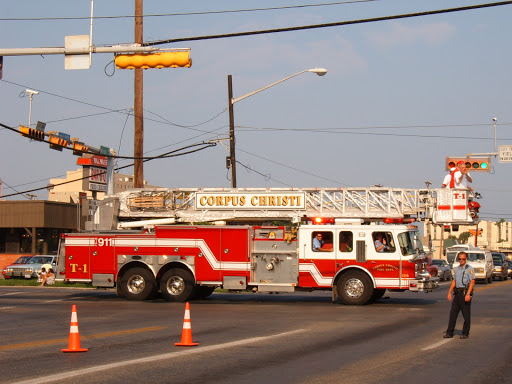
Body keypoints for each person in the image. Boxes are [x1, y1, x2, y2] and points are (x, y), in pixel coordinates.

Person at [444, 251, 476, 339]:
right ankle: (449, 332)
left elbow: (472, 282)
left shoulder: (469, 269)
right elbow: (454, 281)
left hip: (465, 293)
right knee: (453, 314)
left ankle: (465, 333)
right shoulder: (457, 269)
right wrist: (449, 292)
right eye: (460, 259)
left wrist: (468, 294)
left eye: (463, 259)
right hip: (457, 294)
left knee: (466, 315)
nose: (461, 260)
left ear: (466, 259)